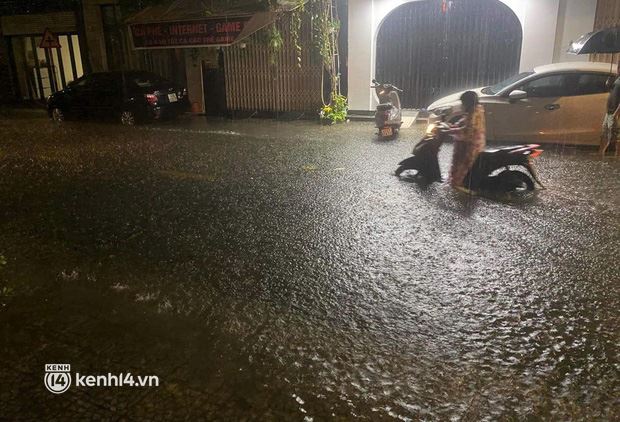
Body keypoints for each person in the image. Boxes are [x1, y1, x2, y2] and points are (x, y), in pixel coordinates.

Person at [448, 91, 486, 189]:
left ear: (467, 102)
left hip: (470, 146)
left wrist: (452, 130)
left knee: (462, 169)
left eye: (463, 102)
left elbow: (468, 130)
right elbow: (463, 122)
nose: (461, 105)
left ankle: (460, 187)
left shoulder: (474, 112)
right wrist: (452, 126)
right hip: (468, 144)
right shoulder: (474, 110)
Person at [601, 62, 620, 155]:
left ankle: (612, 153)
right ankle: (609, 153)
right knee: (605, 130)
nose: (618, 70)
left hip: (614, 111)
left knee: (612, 134)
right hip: (609, 111)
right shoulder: (616, 79)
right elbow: (612, 91)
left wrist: (617, 113)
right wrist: (608, 84)